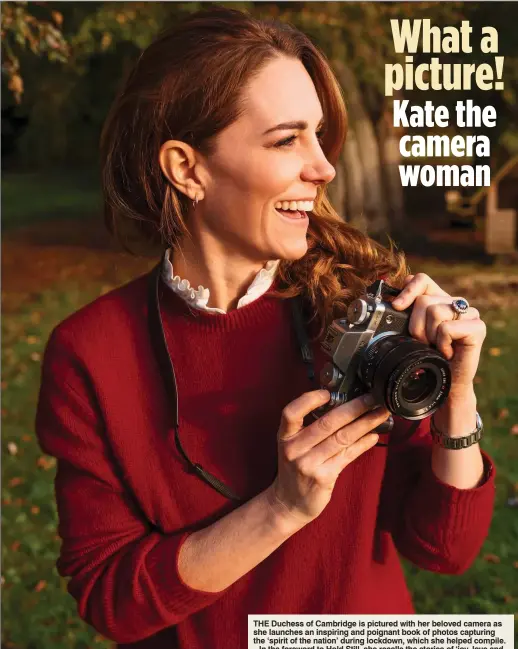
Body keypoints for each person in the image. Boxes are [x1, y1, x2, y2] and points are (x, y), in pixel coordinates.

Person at [35, 7, 495, 649]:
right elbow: (112, 598)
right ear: (187, 168)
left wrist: (458, 396)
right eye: (286, 140)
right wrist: (280, 508)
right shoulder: (91, 355)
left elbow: (444, 548)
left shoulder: (360, 311)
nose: (324, 168)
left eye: (318, 135)